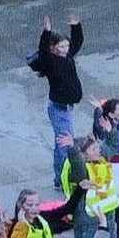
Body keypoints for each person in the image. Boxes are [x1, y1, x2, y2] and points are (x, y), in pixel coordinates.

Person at [31, 15, 88, 145]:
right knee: (65, 143)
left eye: (67, 46)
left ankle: (63, 164)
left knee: (65, 142)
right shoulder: (50, 62)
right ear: (53, 48)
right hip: (59, 109)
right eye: (61, 47)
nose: (65, 49)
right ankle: (63, 165)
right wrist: (46, 32)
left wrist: (75, 26)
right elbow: (43, 51)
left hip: (67, 107)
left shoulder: (67, 56)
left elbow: (77, 42)